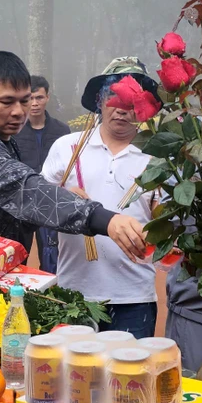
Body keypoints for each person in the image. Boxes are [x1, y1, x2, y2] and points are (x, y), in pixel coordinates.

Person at [0, 51, 148, 294]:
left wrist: (63, 198)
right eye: (6, 102)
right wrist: (106, 220)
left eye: (24, 101)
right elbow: (27, 191)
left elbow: (17, 204)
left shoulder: (2, 139)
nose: (18, 111)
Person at [41, 59, 159, 338]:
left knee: (130, 379)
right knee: (74, 380)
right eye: (113, 96)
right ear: (99, 100)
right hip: (74, 296)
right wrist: (64, 199)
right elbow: (39, 205)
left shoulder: (158, 156)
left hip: (134, 297)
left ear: (144, 107)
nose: (121, 108)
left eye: (132, 101)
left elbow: (167, 226)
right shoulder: (66, 147)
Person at [16, 75, 70, 273]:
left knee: (51, 257)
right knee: (17, 254)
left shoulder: (62, 131)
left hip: (51, 201)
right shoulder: (15, 130)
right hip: (22, 201)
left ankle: (51, 298)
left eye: (39, 97)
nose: (35, 103)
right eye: (30, 98)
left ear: (47, 97)